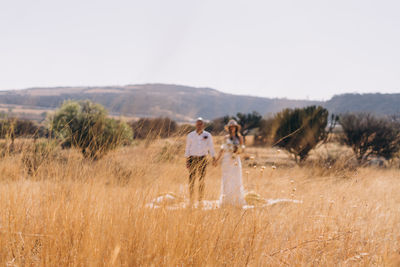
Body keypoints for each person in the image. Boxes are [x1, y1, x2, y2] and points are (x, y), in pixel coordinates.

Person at [214, 119, 246, 207]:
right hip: (227, 159)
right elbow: (222, 149)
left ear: (236, 128)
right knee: (227, 179)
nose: (232, 128)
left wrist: (238, 150)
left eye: (234, 127)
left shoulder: (240, 138)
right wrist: (217, 159)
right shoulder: (226, 138)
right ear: (228, 128)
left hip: (236, 159)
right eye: (230, 127)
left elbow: (242, 149)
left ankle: (236, 200)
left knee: (236, 178)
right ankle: (226, 200)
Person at [185, 117, 216, 202]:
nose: (199, 125)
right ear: (196, 125)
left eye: (201, 124)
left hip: (203, 158)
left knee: (202, 179)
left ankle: (200, 198)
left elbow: (211, 147)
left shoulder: (208, 135)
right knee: (191, 179)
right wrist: (187, 160)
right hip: (192, 158)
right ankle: (191, 198)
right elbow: (187, 148)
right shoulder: (190, 135)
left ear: (203, 125)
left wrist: (214, 158)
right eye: (198, 124)